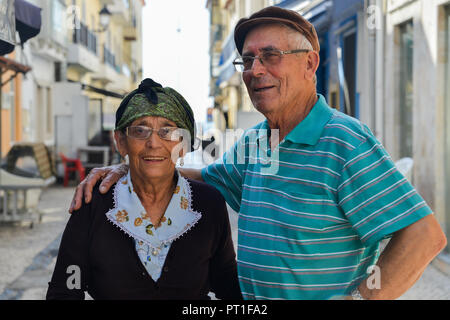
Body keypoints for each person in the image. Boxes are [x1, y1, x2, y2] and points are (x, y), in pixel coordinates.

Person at [69, 7, 447, 300]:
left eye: (270, 56)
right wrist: (130, 169)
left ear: (310, 63)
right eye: (247, 60)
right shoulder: (257, 142)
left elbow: (423, 236)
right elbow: (204, 179)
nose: (255, 70)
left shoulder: (343, 142)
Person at [47, 79, 242, 300]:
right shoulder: (94, 203)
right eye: (140, 130)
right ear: (121, 142)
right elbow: (65, 289)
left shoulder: (208, 203)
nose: (154, 143)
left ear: (184, 145)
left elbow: (226, 280)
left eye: (167, 131)